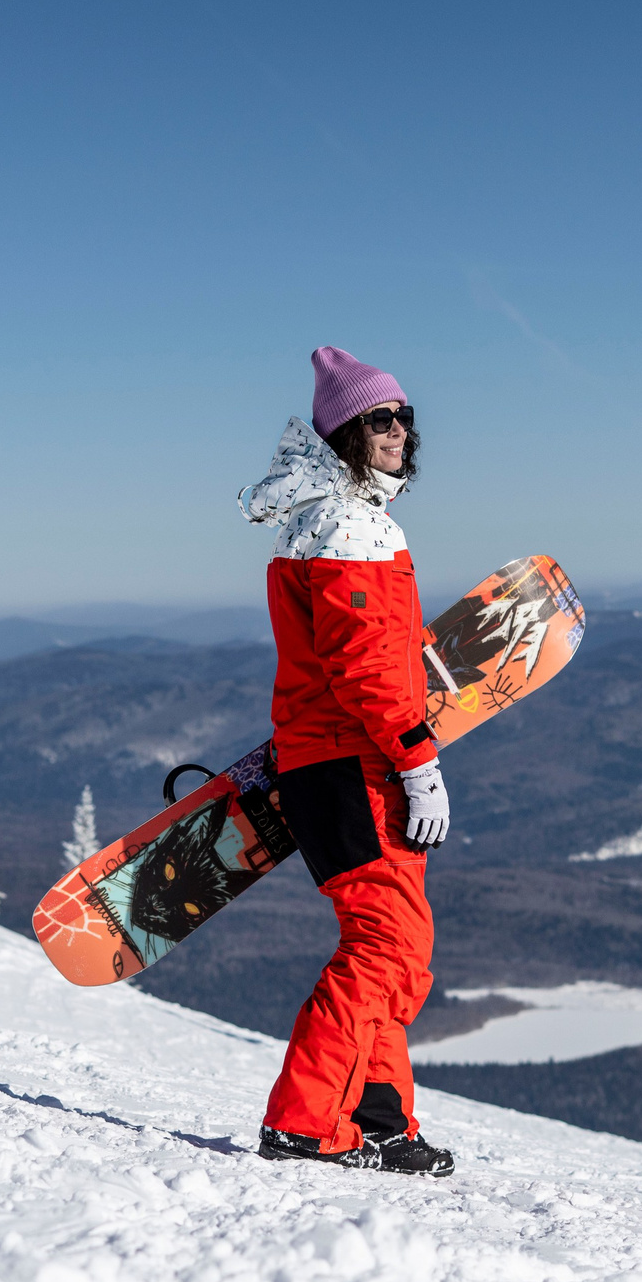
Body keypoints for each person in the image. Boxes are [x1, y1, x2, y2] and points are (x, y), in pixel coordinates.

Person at [237, 346, 456, 1176]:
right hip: (351, 763)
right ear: (342, 434)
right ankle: (303, 1121)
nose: (398, 430)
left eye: (403, 415)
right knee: (383, 945)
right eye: (378, 418)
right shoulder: (348, 525)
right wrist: (417, 758)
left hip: (337, 762)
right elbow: (362, 665)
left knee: (395, 947)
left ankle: (379, 1117)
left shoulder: (335, 516)